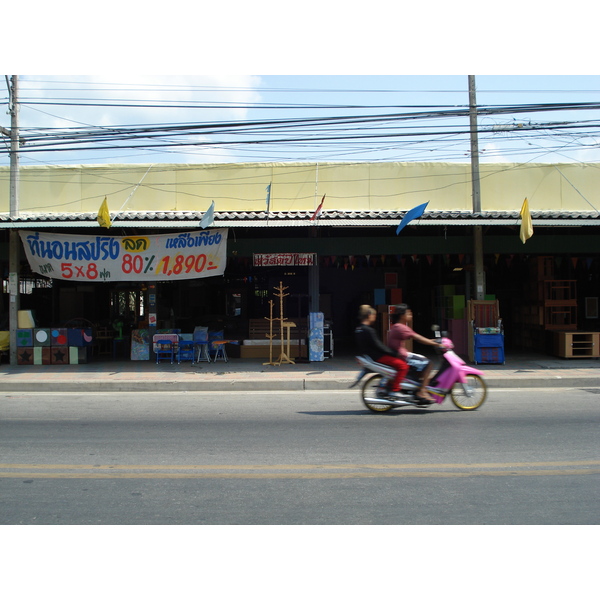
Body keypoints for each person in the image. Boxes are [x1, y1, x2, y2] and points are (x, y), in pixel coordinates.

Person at [387, 304, 439, 403]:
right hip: (403, 357)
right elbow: (418, 338)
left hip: (401, 355)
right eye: (409, 313)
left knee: (421, 360)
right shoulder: (401, 327)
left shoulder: (397, 326)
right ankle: (422, 391)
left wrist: (432, 340)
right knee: (428, 363)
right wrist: (434, 343)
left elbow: (418, 337)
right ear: (402, 315)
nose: (411, 315)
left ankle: (416, 387)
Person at [354, 305, 408, 399]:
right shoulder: (369, 330)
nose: (375, 317)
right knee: (403, 366)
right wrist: (394, 353)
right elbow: (379, 346)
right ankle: (395, 390)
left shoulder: (358, 329)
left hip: (369, 357)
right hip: (378, 357)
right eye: (374, 315)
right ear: (369, 315)